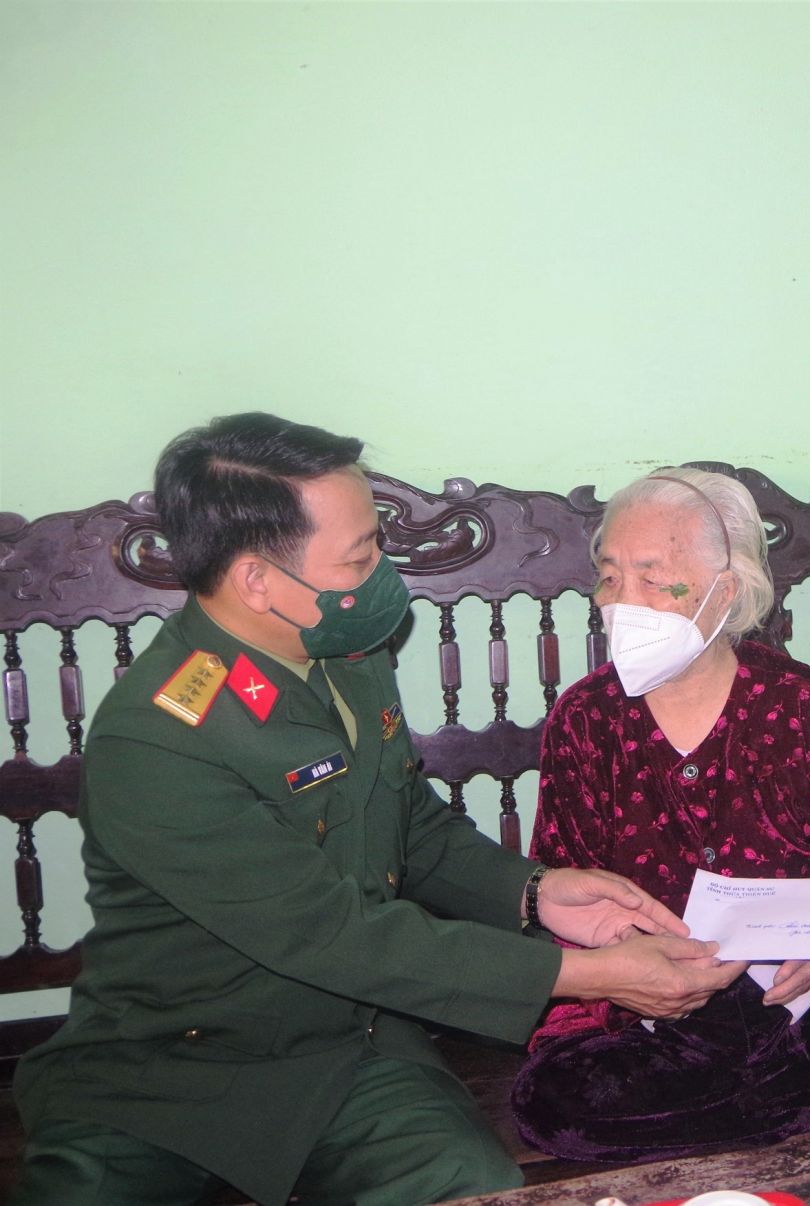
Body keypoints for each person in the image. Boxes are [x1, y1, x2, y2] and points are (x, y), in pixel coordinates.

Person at [11, 414, 743, 1206]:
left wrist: (535, 892)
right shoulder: (158, 738)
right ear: (258, 582)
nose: (381, 573)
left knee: (474, 1191)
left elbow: (408, 825)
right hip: (162, 1072)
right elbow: (328, 934)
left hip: (347, 1047)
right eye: (360, 557)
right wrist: (586, 976)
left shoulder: (345, 658)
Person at [510, 468, 810, 1195]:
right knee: (554, 1105)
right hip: (653, 1002)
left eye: (654, 580)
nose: (621, 602)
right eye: (609, 577)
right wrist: (627, 966)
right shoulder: (586, 719)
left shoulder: (796, 703)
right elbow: (563, 882)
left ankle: (790, 1105)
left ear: (728, 592)